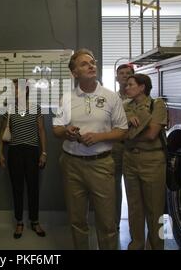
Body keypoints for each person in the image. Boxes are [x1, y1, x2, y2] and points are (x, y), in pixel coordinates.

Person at [52, 48, 128, 250]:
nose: (91, 65)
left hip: (101, 165)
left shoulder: (111, 97)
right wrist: (66, 131)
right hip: (72, 165)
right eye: (84, 63)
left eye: (92, 62)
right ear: (74, 72)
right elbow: (56, 128)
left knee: (106, 222)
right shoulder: (67, 98)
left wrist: (98, 137)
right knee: (77, 221)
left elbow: (122, 131)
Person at [123, 73, 167, 250]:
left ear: (142, 87)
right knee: (134, 208)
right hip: (130, 159)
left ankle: (157, 246)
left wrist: (129, 134)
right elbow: (118, 130)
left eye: (130, 84)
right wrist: (128, 124)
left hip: (152, 161)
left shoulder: (157, 104)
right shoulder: (126, 107)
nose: (126, 88)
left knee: (155, 209)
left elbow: (151, 134)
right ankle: (136, 244)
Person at [0, 79, 47, 239]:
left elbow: (41, 131)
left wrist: (44, 152)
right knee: (17, 188)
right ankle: (19, 222)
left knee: (33, 187)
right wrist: (0, 153)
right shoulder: (10, 109)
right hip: (15, 152)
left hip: (32, 151)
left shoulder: (36, 108)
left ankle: (35, 221)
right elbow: (2, 132)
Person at [111, 64, 134, 231]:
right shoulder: (111, 98)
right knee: (114, 186)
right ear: (117, 77)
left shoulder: (139, 97)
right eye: (121, 73)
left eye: (128, 73)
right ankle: (115, 224)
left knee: (133, 189)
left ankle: (136, 227)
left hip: (134, 148)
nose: (125, 76)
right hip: (117, 147)